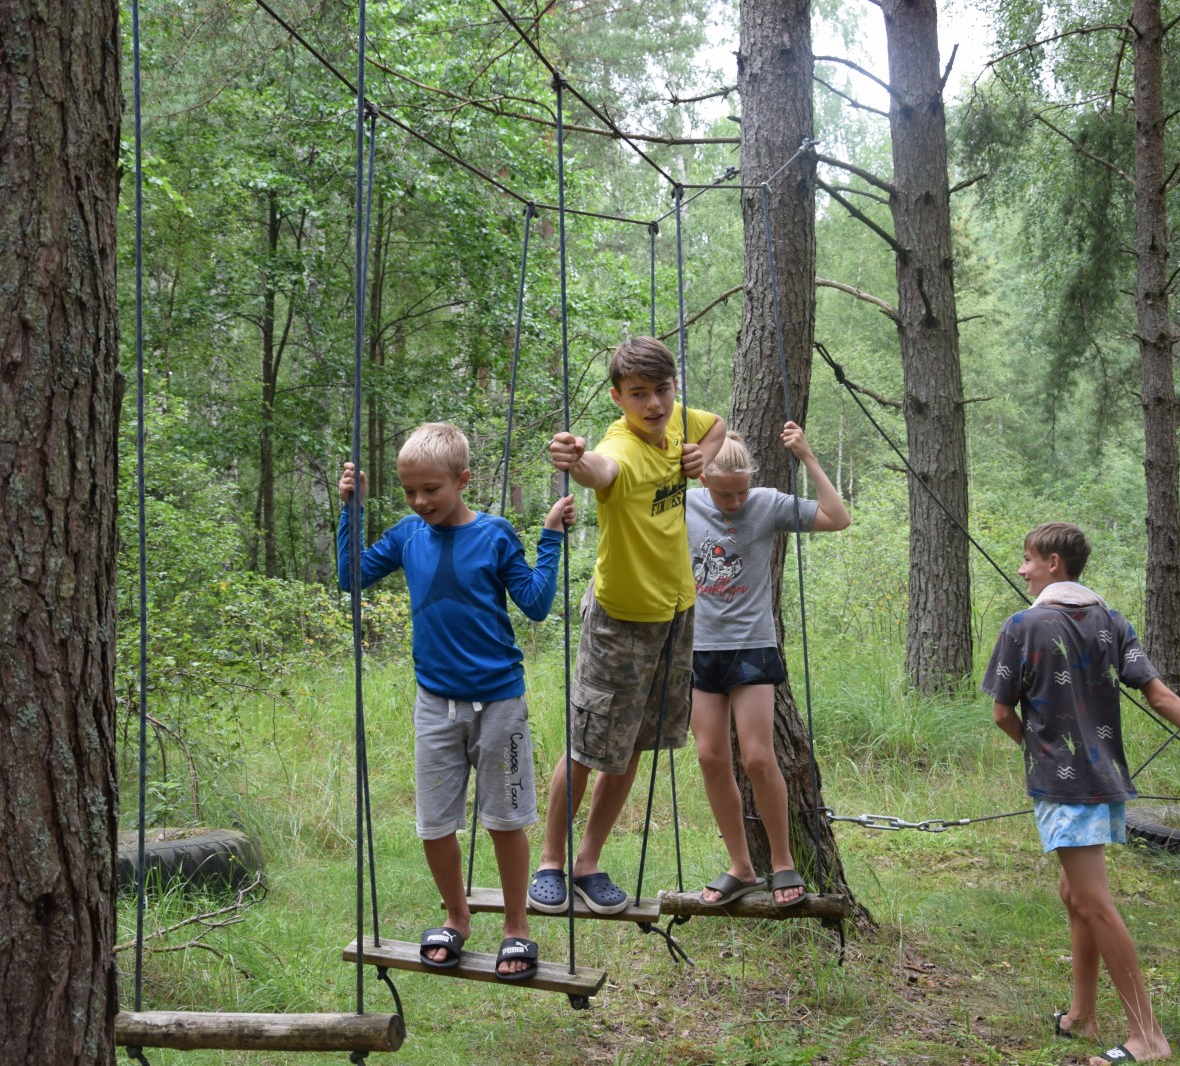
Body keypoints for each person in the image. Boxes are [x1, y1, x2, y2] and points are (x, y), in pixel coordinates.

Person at [983, 522, 1180, 1066]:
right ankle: (1082, 1016)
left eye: (1027, 560)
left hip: (1064, 788)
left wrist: (1037, 750)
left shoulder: (1022, 625)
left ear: (1053, 566)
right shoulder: (1112, 621)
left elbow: (1000, 712)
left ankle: (1148, 1037)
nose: (1021, 569)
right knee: (1074, 895)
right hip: (1106, 779)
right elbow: (1160, 696)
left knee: (1093, 903)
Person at [337, 422, 574, 982]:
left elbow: (536, 604)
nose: (420, 502)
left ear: (463, 480)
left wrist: (550, 538)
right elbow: (352, 578)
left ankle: (517, 926)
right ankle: (457, 917)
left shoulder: (493, 534)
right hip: (434, 703)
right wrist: (352, 508)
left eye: (431, 490)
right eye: (409, 491)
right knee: (434, 823)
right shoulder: (405, 536)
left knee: (504, 820)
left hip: (499, 702)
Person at [528, 336, 725, 916]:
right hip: (619, 620)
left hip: (675, 613)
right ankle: (551, 862)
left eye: (661, 391)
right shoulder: (621, 447)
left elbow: (717, 426)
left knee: (633, 744)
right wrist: (572, 458)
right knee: (590, 745)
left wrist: (705, 458)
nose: (654, 405)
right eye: (638, 395)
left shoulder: (679, 420)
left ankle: (588, 862)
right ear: (618, 398)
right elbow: (597, 469)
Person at [686, 424, 850, 907]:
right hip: (698, 649)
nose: (734, 502)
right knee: (710, 757)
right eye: (724, 494)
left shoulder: (767, 503)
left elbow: (837, 518)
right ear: (703, 483)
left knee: (757, 757)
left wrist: (808, 457)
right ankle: (741, 866)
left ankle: (783, 863)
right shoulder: (685, 505)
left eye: (740, 492)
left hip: (752, 646)